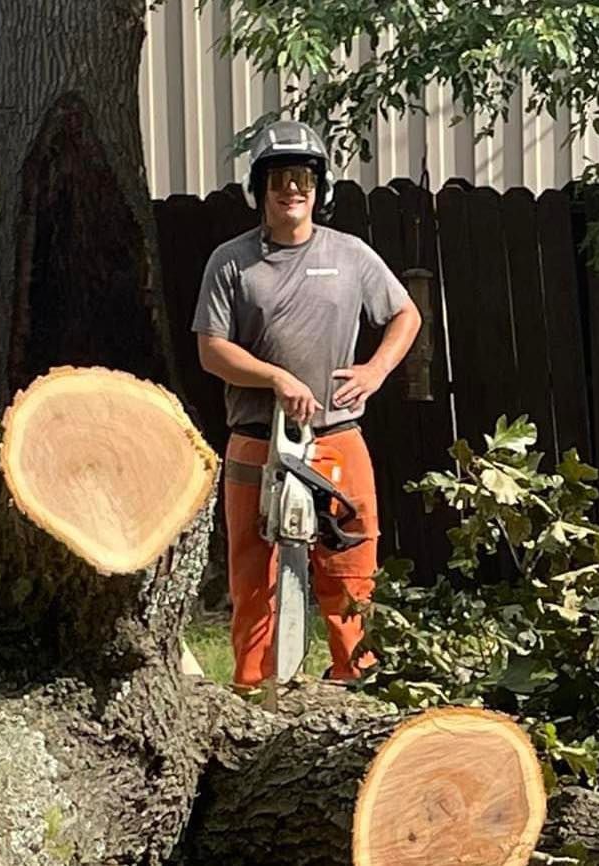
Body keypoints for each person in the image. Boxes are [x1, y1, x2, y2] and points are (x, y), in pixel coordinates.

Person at [192, 120, 421, 688]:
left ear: (320, 188)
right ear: (259, 189)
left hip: (336, 436)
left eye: (302, 178)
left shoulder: (351, 256)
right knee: (254, 574)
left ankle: (355, 681)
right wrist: (275, 378)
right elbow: (211, 350)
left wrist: (375, 370)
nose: (290, 189)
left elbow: (405, 315)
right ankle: (252, 691)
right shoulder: (231, 261)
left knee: (350, 572)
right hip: (255, 440)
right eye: (278, 179)